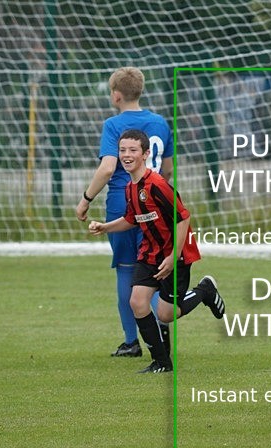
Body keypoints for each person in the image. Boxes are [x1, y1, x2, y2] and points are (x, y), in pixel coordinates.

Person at [88, 130, 225, 373]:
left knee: (165, 313)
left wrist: (173, 257)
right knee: (137, 302)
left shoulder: (158, 185)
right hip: (149, 254)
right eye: (122, 150)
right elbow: (132, 219)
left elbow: (183, 219)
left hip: (176, 256)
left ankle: (204, 291)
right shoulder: (130, 188)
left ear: (146, 153)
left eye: (133, 150)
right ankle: (162, 362)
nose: (126, 155)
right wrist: (105, 226)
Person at [75, 67, 173, 358]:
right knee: (154, 270)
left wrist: (85, 199)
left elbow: (107, 167)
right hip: (156, 200)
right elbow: (167, 169)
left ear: (116, 95)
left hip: (124, 201)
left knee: (128, 271)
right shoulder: (160, 123)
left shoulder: (114, 124)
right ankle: (161, 338)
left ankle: (132, 341)